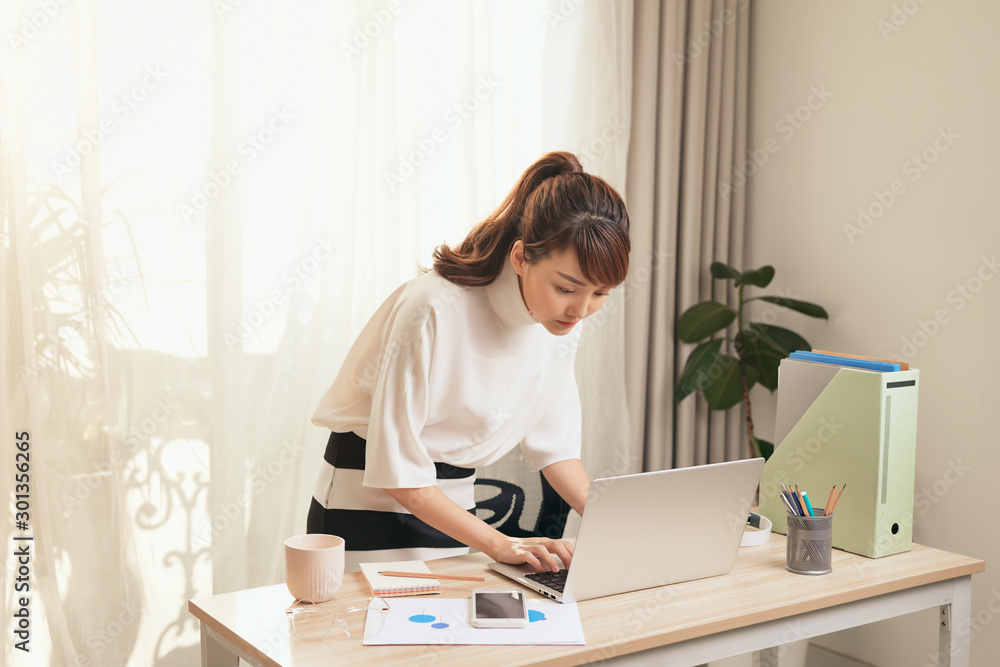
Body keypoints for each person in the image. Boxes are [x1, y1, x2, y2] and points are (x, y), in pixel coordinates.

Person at [307, 151, 630, 574]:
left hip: (455, 514)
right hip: (367, 505)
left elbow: (556, 449)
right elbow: (399, 471)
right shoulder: (433, 308)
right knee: (386, 634)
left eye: (600, 293)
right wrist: (500, 544)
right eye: (567, 288)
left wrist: (622, 526)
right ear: (520, 257)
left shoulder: (559, 323)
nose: (581, 309)